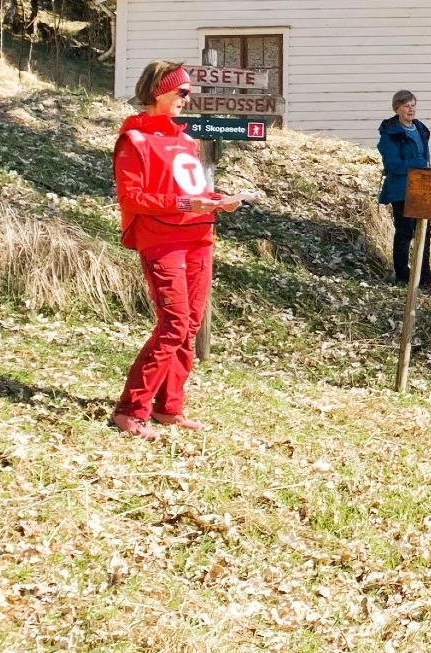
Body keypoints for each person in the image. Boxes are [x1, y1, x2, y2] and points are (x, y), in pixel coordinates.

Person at [110, 61, 251, 440]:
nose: (187, 100)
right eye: (182, 92)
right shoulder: (133, 140)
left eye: (189, 93)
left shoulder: (185, 139)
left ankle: (168, 408)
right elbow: (133, 198)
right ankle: (129, 410)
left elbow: (196, 192)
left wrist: (220, 201)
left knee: (188, 327)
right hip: (162, 240)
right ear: (159, 91)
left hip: (198, 239)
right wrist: (188, 205)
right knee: (172, 324)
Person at [377, 90, 431, 294]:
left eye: (413, 105)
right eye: (406, 106)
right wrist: (419, 164)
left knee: (425, 234)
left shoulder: (420, 129)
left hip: (423, 188)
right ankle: (402, 276)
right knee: (405, 232)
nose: (410, 109)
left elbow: (426, 157)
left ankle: (425, 281)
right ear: (397, 108)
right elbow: (393, 165)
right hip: (401, 189)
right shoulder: (389, 135)